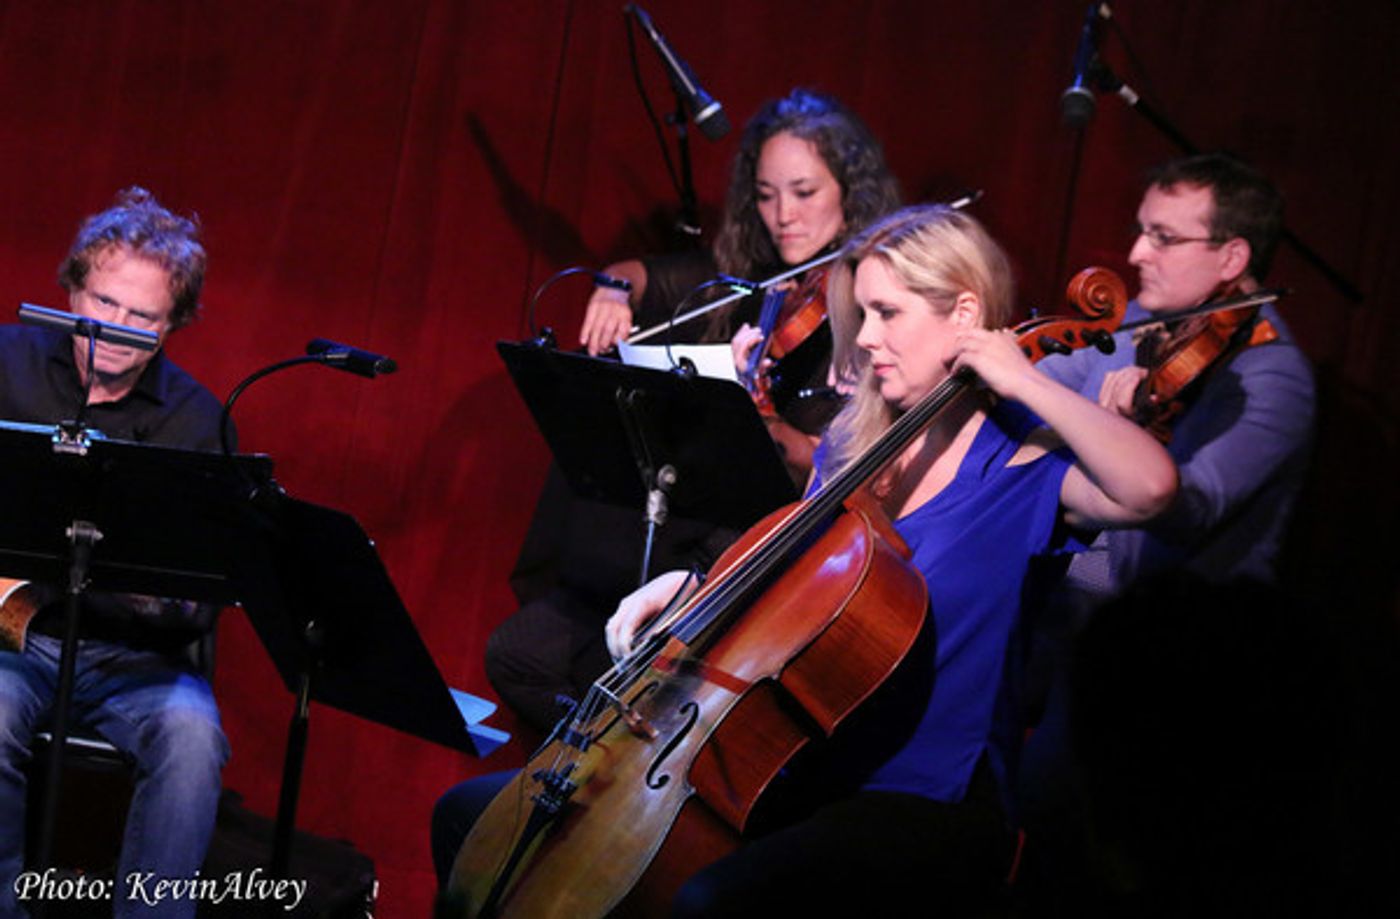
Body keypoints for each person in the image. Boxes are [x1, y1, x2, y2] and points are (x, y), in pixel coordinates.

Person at [434, 204, 1177, 914]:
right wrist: (694, 586)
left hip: (923, 793)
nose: (867, 339)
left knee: (706, 902)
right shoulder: (851, 447)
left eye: (889, 314)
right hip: (803, 762)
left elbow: (1150, 488)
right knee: (471, 818)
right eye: (866, 313)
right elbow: (805, 594)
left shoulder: (1024, 466)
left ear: (963, 315)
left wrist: (1024, 379)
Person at [486, 88, 901, 740]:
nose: (782, 216)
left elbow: (832, 463)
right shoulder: (749, 275)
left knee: (570, 655)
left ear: (851, 190)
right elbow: (640, 272)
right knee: (522, 646)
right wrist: (613, 290)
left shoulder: (870, 300)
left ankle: (616, 764)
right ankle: (597, 750)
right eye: (765, 195)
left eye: (803, 192)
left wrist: (744, 413)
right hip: (685, 523)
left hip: (758, 546)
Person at [1014, 153, 1317, 912]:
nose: (1136, 253)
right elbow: (1038, 402)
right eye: (1140, 231)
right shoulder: (1147, 327)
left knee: (1053, 808)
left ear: (1232, 257)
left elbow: (1183, 509)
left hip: (1169, 661)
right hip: (1076, 609)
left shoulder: (1271, 376)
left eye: (1162, 237)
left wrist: (1110, 438)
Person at [0, 188, 229, 919]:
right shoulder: (8, 362)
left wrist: (145, 584)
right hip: (14, 639)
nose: (115, 330)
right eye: (103, 303)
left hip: (135, 658)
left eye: (143, 317)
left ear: (173, 326)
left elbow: (195, 605)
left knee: (194, 740)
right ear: (70, 288)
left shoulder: (198, 421)